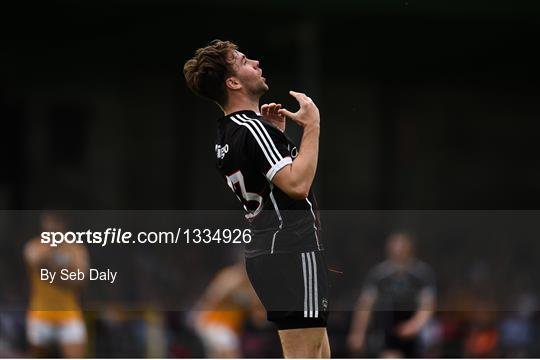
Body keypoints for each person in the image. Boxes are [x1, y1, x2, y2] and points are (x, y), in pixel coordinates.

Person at [183, 40, 330, 358]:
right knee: (307, 355)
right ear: (233, 82)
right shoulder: (252, 129)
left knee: (318, 354)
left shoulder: (227, 134)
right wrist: (313, 125)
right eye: (244, 60)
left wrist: (277, 134)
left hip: (268, 251)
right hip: (293, 247)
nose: (256, 62)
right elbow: (298, 185)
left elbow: (269, 181)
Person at [347, 232, 436, 358]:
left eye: (402, 246)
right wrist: (358, 333)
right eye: (395, 246)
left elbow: (427, 304)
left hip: (415, 331)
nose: (398, 250)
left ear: (410, 248)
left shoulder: (422, 274)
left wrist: (414, 325)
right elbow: (365, 304)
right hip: (387, 328)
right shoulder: (378, 274)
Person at [24, 212, 89, 358]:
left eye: (56, 223)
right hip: (40, 314)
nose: (52, 227)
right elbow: (34, 260)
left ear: (64, 225)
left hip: (69, 314)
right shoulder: (35, 245)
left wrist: (50, 270)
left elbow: (80, 279)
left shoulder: (75, 248)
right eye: (49, 222)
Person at [191, 256, 265, 358]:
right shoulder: (231, 278)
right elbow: (211, 299)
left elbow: (258, 318)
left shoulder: (251, 285)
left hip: (231, 330)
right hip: (214, 324)